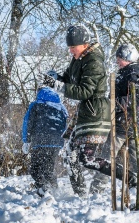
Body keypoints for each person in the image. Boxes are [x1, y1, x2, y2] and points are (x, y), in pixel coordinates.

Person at [42, 25, 137, 197]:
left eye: (73, 47)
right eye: (69, 47)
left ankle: (130, 178)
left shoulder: (94, 61)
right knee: (71, 156)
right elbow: (69, 78)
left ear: (84, 44)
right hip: (85, 112)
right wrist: (56, 78)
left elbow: (85, 91)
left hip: (96, 113)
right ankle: (81, 196)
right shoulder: (78, 59)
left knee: (87, 158)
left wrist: (57, 86)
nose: (70, 51)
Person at [90, 43, 139, 193]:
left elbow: (134, 99)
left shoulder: (132, 74)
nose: (117, 60)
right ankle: (135, 188)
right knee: (135, 159)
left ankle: (97, 189)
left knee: (107, 157)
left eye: (120, 58)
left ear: (128, 58)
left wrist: (114, 104)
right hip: (130, 123)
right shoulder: (125, 73)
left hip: (124, 123)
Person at [22, 71, 68, 197]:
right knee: (48, 167)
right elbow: (65, 125)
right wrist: (62, 140)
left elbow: (28, 122)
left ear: (39, 91)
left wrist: (26, 140)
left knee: (35, 168)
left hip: (39, 141)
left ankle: (43, 189)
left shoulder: (36, 105)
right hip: (55, 143)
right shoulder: (61, 107)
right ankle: (53, 189)